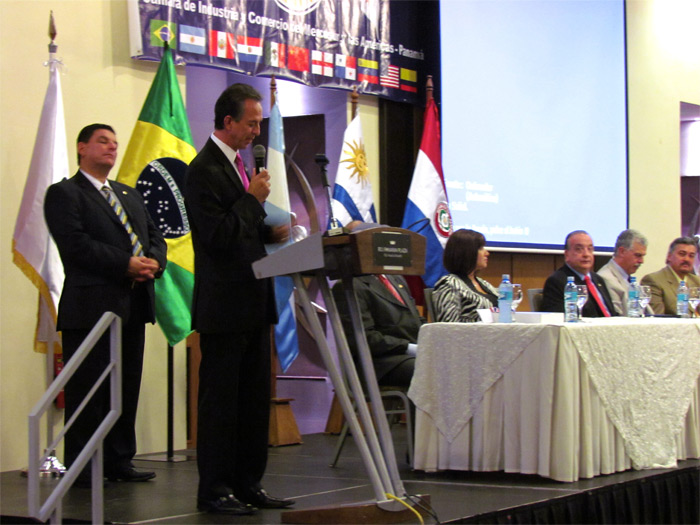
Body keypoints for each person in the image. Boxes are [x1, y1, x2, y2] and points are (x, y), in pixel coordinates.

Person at [184, 83, 294, 515]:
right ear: (227, 121)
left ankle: (249, 484)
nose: (256, 132)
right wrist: (252, 202)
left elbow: (242, 230)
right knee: (221, 405)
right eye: (251, 123)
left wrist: (270, 232)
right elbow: (216, 237)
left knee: (252, 402)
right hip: (224, 307)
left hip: (253, 302)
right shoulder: (203, 169)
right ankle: (214, 489)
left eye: (259, 123)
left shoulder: (239, 165)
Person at [44, 123, 166, 485]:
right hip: (91, 308)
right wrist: (125, 263)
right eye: (102, 141)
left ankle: (119, 460)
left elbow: (155, 237)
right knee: (89, 390)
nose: (112, 147)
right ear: (82, 148)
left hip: (134, 305)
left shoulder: (129, 194)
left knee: (125, 387)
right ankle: (83, 467)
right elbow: (75, 245)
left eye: (115, 143)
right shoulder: (65, 193)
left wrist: (154, 263)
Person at [540, 230, 616, 317]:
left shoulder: (598, 279)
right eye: (579, 249)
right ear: (567, 254)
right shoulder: (557, 281)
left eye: (590, 249)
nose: (586, 254)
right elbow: (557, 318)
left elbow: (611, 313)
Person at [433, 229, 498, 323]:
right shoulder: (449, 284)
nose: (487, 253)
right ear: (467, 252)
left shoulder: (483, 283)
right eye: (480, 248)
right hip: (472, 332)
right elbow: (448, 325)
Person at [641, 236, 700, 315]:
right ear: (669, 256)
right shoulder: (653, 281)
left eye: (691, 256)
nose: (687, 259)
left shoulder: (697, 281)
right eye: (682, 254)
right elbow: (656, 318)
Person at [597, 229, 649, 315]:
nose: (641, 261)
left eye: (643, 256)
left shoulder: (629, 279)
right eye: (638, 255)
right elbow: (616, 318)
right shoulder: (606, 278)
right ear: (622, 251)